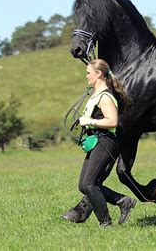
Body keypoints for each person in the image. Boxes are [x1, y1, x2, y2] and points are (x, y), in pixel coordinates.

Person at [62, 59, 136, 227]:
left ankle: (106, 223)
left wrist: (90, 121)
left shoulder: (105, 96)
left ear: (99, 74)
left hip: (106, 141)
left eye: (89, 73)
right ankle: (123, 201)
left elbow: (112, 121)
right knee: (84, 185)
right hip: (96, 141)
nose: (86, 76)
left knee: (90, 183)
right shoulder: (95, 94)